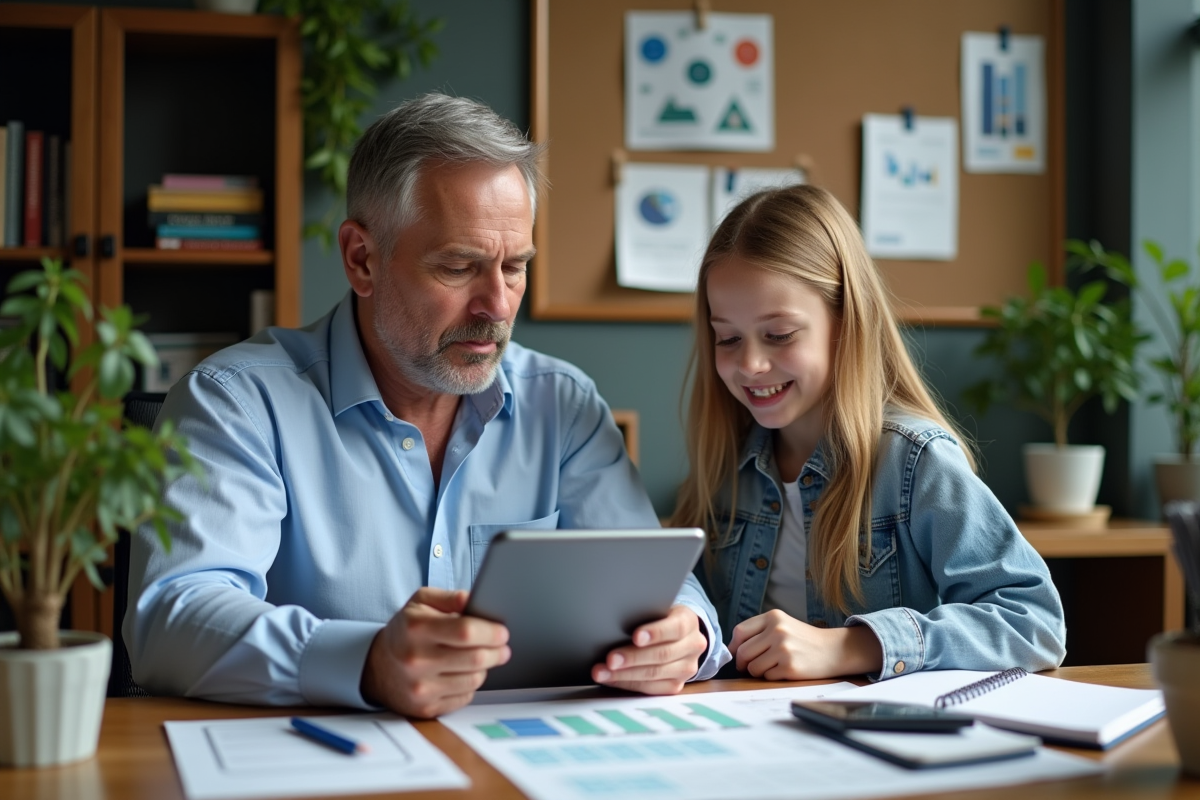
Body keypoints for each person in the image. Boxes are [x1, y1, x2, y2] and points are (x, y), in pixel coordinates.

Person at [125, 93, 730, 718]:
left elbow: (658, 581)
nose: (496, 305)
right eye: (459, 267)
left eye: (515, 267)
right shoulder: (236, 403)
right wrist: (366, 662)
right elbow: (173, 616)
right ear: (362, 259)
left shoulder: (563, 405)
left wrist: (687, 632)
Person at [670, 184, 1066, 682]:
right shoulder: (726, 466)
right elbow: (691, 607)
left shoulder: (915, 461)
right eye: (727, 338)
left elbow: (1035, 622)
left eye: (779, 335)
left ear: (846, 322)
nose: (749, 363)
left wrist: (853, 647)